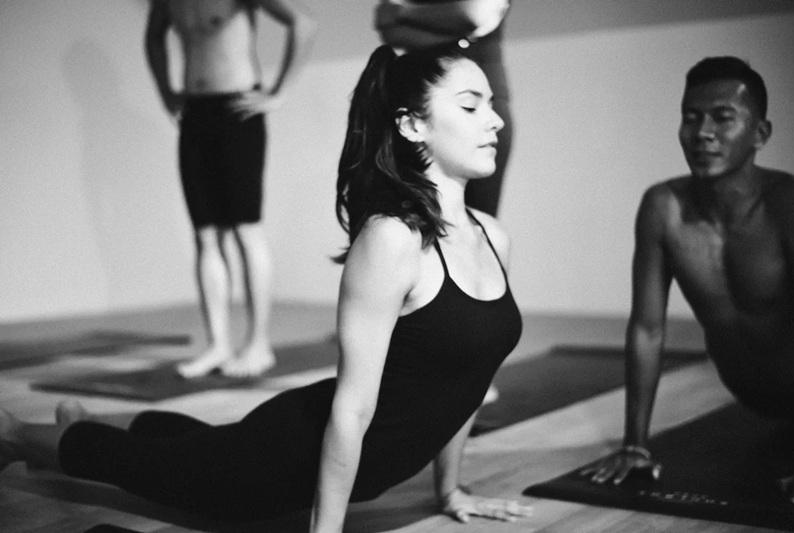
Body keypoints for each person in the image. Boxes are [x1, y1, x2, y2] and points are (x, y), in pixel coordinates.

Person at [0, 44, 534, 530]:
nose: (495, 120)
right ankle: (17, 434)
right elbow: (352, 408)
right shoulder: (392, 239)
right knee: (146, 466)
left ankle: (83, 422)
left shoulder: (493, 236)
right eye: (470, 106)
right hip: (279, 463)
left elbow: (469, 377)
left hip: (306, 446)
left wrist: (450, 490)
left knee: (197, 444)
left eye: (491, 104)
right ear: (412, 126)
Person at [582, 56, 794, 502]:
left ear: (760, 134)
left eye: (723, 118)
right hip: (752, 399)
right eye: (691, 117)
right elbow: (647, 329)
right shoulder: (664, 208)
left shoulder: (790, 204)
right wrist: (634, 444)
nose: (703, 133)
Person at [144, 0, 317, 378]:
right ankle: (218, 344)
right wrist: (166, 92)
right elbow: (154, 39)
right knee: (205, 235)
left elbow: (302, 24)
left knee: (245, 230)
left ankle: (258, 344)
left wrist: (278, 92)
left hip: (238, 110)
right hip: (195, 113)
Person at [374, 0, 513, 217]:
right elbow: (388, 26)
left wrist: (405, 12)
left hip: (469, 107)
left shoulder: (482, 112)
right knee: (408, 218)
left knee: (474, 225)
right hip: (423, 105)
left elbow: (478, 12)